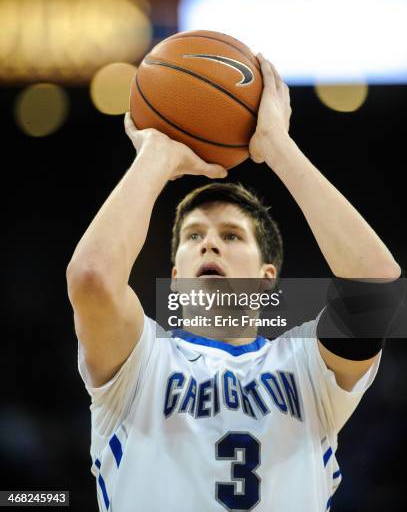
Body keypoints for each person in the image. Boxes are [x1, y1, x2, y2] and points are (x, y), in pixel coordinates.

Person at [66, 53, 401, 511]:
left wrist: (277, 146)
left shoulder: (307, 369)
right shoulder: (139, 359)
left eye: (230, 235)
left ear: (268, 279)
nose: (210, 245)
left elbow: (376, 287)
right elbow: (92, 278)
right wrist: (157, 156)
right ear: (177, 275)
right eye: (194, 236)